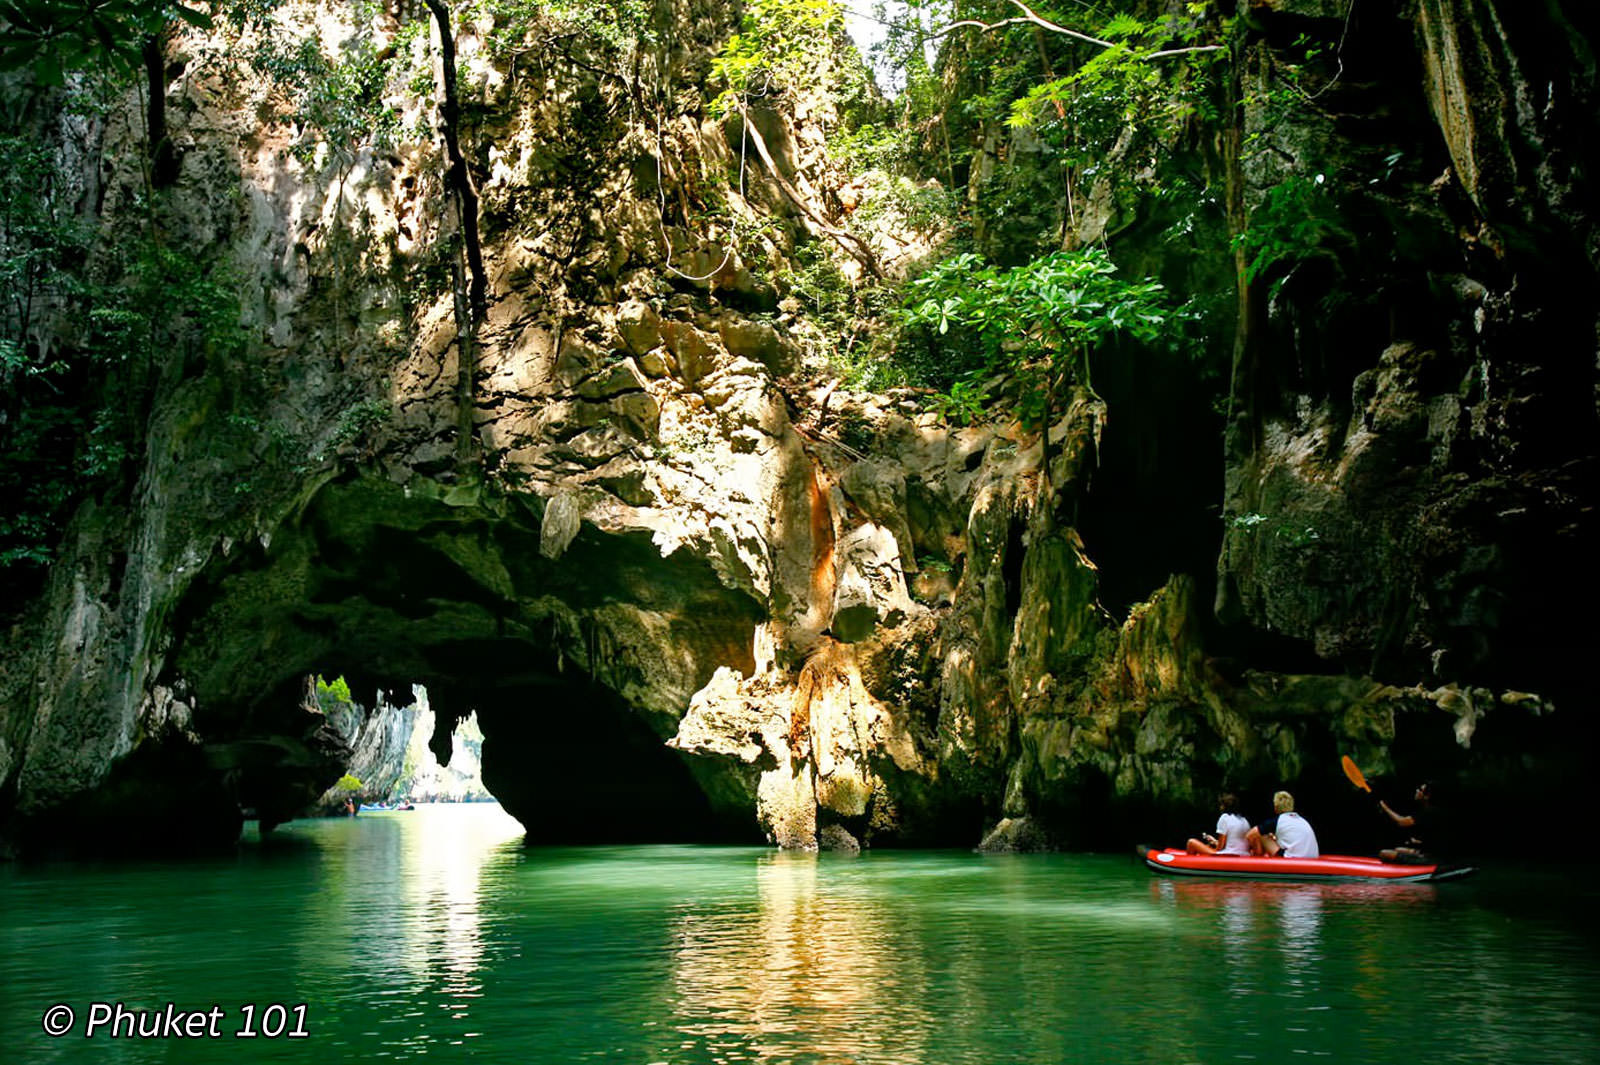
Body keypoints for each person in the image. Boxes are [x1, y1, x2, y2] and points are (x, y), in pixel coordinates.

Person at [1246, 790, 1320, 858]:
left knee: (1262, 836)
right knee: (1271, 836)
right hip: (1312, 858)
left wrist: (1255, 849)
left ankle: (1257, 858)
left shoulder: (1278, 821)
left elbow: (1250, 835)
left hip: (1292, 859)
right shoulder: (1302, 820)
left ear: (1275, 806)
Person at [1378, 781, 1438, 864]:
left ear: (1427, 796)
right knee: (1398, 849)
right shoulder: (1429, 810)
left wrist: (1384, 807)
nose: (1417, 790)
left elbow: (1401, 822)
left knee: (1384, 853)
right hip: (1428, 851)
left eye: (1420, 789)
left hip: (1432, 857)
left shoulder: (1429, 812)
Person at [1187, 793, 1252, 855]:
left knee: (1191, 842)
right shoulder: (1244, 820)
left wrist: (1211, 845)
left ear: (1224, 806)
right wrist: (1214, 841)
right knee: (1206, 846)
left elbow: (1220, 848)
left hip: (1228, 855)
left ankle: (1190, 865)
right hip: (1244, 854)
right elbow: (1232, 843)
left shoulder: (1224, 818)